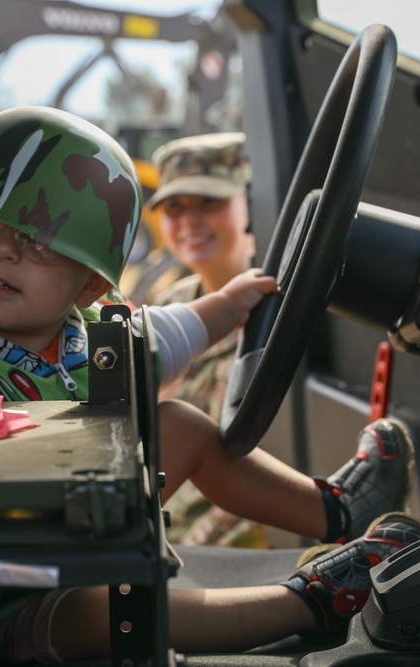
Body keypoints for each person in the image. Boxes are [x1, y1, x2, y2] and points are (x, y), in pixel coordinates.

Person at [0, 105, 420, 662]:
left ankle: (336, 510)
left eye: (42, 241)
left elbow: (171, 333)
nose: (1, 247)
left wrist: (230, 302)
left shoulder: (88, 336)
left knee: (181, 425)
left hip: (87, 525)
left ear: (90, 286)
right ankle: (313, 601)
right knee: (122, 607)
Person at [146, 132, 265, 547]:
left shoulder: (275, 311)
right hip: (166, 524)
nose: (190, 221)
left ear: (246, 203)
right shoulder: (171, 304)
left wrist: (187, 552)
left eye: (209, 201)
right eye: (174, 207)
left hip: (233, 540)